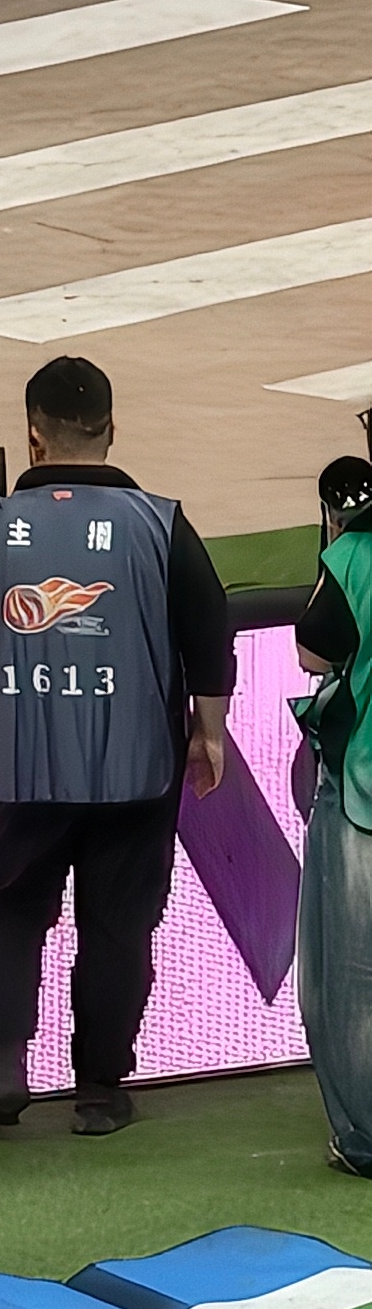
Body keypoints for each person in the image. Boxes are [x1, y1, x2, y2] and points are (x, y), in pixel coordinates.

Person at [0, 356, 235, 1133]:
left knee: (6, 913)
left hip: (23, 769)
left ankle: (4, 1066)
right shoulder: (160, 522)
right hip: (136, 768)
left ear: (33, 437)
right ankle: (98, 1090)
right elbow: (209, 625)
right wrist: (210, 731)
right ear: (111, 430)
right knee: (118, 926)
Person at [295, 480, 372, 1169]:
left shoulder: (352, 556)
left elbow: (315, 653)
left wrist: (334, 540)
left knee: (351, 979)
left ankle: (366, 1138)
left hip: (362, 794)